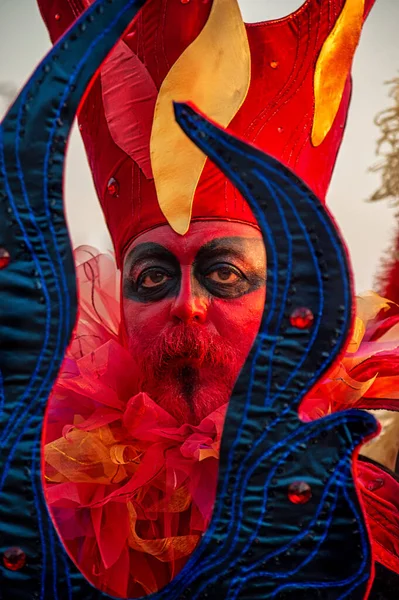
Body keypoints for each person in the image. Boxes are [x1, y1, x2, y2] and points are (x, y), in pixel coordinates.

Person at [36, 0, 399, 598]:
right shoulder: (43, 506)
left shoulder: (371, 515)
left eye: (225, 274)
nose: (186, 305)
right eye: (151, 279)